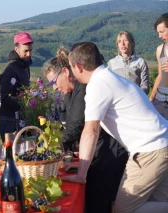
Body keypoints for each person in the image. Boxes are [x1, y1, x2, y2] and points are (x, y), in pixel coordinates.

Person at [63, 42, 168, 212]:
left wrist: (81, 175)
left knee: (123, 209)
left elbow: (91, 131)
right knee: (157, 203)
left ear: (79, 67)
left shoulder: (98, 85)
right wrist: (83, 164)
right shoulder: (109, 78)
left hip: (150, 151)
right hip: (162, 144)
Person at [44, 47, 128, 213]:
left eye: (54, 81)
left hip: (109, 153)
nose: (53, 88)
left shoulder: (84, 89)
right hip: (101, 151)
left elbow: (77, 126)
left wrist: (53, 148)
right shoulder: (71, 93)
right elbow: (69, 124)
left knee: (102, 203)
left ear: (65, 71)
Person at [0, 32, 34, 140]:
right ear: (16, 49)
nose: (29, 54)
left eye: (30, 50)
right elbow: (4, 99)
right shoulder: (9, 70)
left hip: (20, 118)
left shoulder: (23, 66)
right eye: (26, 51)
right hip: (9, 120)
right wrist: (25, 103)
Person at [150, 13, 168, 119]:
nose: (159, 36)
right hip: (160, 100)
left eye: (162, 32)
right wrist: (151, 98)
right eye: (158, 33)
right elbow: (160, 75)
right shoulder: (160, 49)